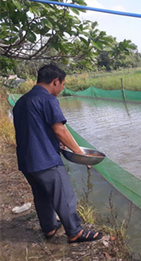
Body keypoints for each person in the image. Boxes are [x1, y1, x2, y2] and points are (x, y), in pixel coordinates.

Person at [12, 64, 103, 243]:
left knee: (41, 195)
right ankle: (75, 232)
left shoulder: (22, 101)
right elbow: (60, 130)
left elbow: (34, 128)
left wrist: (54, 140)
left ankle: (49, 228)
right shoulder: (47, 99)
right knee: (65, 195)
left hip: (26, 161)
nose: (63, 88)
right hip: (45, 159)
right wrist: (79, 153)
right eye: (63, 84)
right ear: (56, 81)